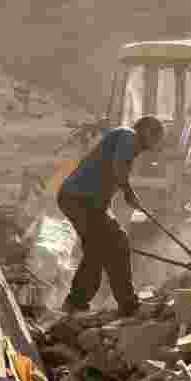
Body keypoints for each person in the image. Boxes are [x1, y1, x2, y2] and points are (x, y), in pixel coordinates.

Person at [56, 115, 165, 315]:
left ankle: (83, 302)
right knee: (106, 245)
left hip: (88, 203)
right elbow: (118, 168)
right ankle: (122, 304)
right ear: (147, 131)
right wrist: (129, 192)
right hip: (80, 200)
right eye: (156, 138)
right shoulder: (128, 136)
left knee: (104, 247)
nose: (156, 145)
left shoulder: (126, 141)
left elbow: (111, 174)